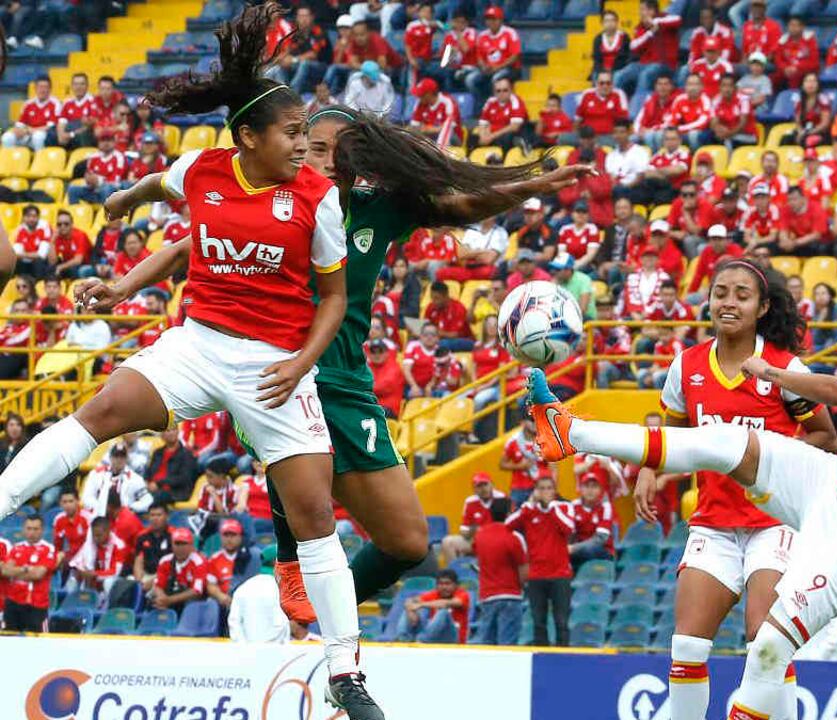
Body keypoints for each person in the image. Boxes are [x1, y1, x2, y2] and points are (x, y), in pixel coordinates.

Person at [86, 95, 591, 655]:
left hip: (350, 384)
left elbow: (463, 204)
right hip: (274, 373)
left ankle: (326, 616)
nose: (326, 159)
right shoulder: (272, 201)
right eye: (316, 147)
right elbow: (184, 249)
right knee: (297, 457)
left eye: (341, 151)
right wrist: (122, 286)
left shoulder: (378, 210)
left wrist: (534, 186)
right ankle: (290, 564)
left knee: (409, 542)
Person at [0, 5, 374, 713]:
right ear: (249, 138)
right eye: (293, 133)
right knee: (101, 410)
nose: (305, 146)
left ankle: (344, 670)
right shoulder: (204, 170)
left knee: (313, 514)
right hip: (197, 344)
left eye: (306, 134)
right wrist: (122, 200)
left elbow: (332, 298)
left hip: (275, 364)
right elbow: (161, 189)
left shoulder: (318, 199)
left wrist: (301, 363)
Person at [529, 260, 837, 720]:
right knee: (727, 442)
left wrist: (773, 374)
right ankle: (571, 433)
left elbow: (835, 394)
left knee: (768, 647)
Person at [507, 474, 574, 646]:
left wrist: (551, 507)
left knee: (561, 621)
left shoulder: (564, 507)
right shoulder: (528, 510)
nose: (545, 492)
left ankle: (564, 654)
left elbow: (569, 528)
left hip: (560, 574)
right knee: (538, 622)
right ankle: (542, 654)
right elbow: (508, 525)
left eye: (549, 488)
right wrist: (528, 504)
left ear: (555, 491)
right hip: (537, 575)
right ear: (535, 491)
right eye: (541, 488)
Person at [471, 496, 526, 645]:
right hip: (510, 595)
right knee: (507, 645)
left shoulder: (480, 535)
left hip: (487, 596)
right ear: (509, 513)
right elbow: (523, 570)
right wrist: (521, 587)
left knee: (488, 645)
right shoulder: (514, 536)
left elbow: (477, 556)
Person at [2, 515, 56, 632]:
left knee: (37, 640)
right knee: (9, 639)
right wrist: (26, 569)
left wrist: (15, 571)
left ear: (42, 530)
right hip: (13, 602)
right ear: (23, 529)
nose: (32, 533)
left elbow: (38, 574)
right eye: (29, 528)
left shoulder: (48, 549)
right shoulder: (16, 548)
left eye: (35, 529)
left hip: (36, 604)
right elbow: (5, 571)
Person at [229, 544, 291, 643]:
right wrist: (265, 647)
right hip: (275, 649)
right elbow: (280, 624)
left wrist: (245, 647)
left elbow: (234, 622)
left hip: (246, 650)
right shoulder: (281, 590)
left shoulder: (243, 588)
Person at [401, 568, 471, 643]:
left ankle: (422, 640)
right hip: (435, 636)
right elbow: (410, 600)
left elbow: (445, 603)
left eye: (447, 584)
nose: (444, 587)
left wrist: (421, 605)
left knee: (443, 612)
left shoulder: (462, 594)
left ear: (455, 585)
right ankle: (403, 638)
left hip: (453, 639)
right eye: (441, 584)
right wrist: (410, 611)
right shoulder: (435, 594)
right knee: (409, 607)